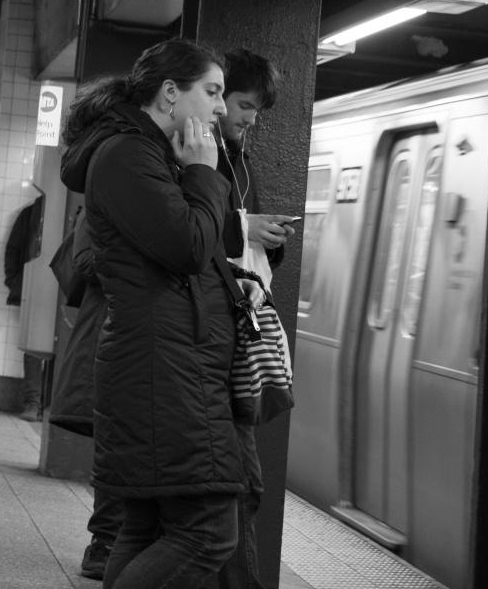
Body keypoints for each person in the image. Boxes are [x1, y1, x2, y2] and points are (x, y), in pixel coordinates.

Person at [58, 39, 241, 589]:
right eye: (211, 92)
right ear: (168, 93)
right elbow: (186, 246)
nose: (220, 108)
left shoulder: (146, 153)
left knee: (142, 526)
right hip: (162, 368)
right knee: (209, 533)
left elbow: (195, 248)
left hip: (163, 361)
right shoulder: (128, 155)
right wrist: (204, 171)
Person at [216, 49, 293, 589]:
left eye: (257, 110)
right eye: (244, 105)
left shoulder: (239, 159)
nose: (250, 118)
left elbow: (245, 238)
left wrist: (268, 236)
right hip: (213, 345)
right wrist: (244, 229)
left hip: (233, 337)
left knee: (234, 491)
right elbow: (187, 233)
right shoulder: (195, 156)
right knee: (240, 488)